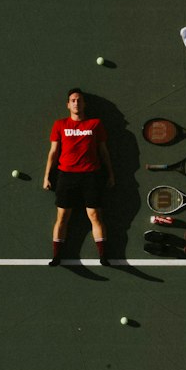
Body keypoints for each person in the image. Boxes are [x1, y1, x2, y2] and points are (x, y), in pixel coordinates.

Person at [43, 88, 114, 266]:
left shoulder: (95, 124)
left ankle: (103, 256)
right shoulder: (60, 124)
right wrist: (47, 176)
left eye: (79, 100)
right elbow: (53, 152)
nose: (76, 103)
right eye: (73, 100)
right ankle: (57, 256)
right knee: (63, 217)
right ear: (68, 105)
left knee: (95, 216)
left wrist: (111, 174)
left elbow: (104, 152)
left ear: (84, 104)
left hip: (91, 176)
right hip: (66, 176)